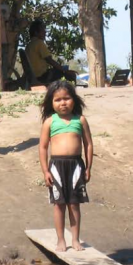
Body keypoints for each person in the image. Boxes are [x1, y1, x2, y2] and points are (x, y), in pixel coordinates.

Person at [38, 80, 93, 252]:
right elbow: (43, 147)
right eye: (58, 100)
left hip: (76, 165)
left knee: (74, 204)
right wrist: (45, 171)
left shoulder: (80, 120)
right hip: (56, 167)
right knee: (59, 204)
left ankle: (75, 239)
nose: (63, 103)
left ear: (74, 100)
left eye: (67, 98)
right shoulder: (49, 122)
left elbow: (88, 144)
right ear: (51, 103)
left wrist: (88, 167)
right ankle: (61, 240)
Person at [26, 20, 77, 84]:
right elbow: (49, 60)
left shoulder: (29, 45)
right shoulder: (39, 43)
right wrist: (65, 71)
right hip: (41, 76)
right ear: (36, 33)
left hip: (31, 75)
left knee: (62, 70)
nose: (45, 32)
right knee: (67, 73)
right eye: (42, 30)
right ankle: (73, 88)